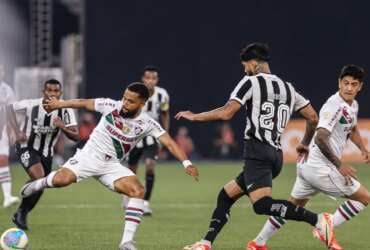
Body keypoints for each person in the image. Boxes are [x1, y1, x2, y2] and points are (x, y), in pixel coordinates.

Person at [176, 43, 334, 250]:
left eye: (245, 66)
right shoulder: (288, 87)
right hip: (276, 156)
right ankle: (205, 243)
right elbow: (313, 117)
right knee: (226, 195)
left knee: (261, 205)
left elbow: (226, 112)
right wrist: (304, 143)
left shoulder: (250, 82)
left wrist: (195, 116)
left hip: (257, 151)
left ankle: (319, 220)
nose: (244, 70)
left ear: (253, 63)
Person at [19, 82, 199, 250]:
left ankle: (126, 242)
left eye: (130, 101)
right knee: (61, 181)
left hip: (111, 165)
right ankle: (37, 184)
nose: (124, 103)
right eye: (124, 98)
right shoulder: (110, 105)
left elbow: (169, 142)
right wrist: (60, 104)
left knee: (138, 191)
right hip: (88, 157)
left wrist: (186, 163)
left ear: (142, 103)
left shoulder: (147, 123)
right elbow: (83, 103)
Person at [249, 65, 370, 250]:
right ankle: (325, 226)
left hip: (307, 167)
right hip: (320, 168)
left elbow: (351, 128)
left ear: (360, 86)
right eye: (345, 83)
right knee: (364, 198)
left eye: (354, 84)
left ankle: (257, 243)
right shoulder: (334, 106)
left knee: (291, 207)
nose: (349, 88)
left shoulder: (352, 105)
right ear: (339, 83)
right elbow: (321, 138)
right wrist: (339, 165)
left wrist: (363, 148)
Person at [7, 79, 79, 230]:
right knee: (39, 177)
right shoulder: (31, 105)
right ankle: (22, 212)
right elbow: (8, 109)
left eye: (56, 91)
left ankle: (22, 211)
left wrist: (62, 127)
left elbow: (75, 136)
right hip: (26, 146)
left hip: (47, 152)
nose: (52, 94)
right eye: (49, 90)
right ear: (43, 92)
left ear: (60, 93)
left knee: (41, 185)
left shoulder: (66, 110)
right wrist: (17, 131)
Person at [127, 66, 170, 215]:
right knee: (132, 169)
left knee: (150, 165)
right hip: (134, 136)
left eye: (154, 78)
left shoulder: (162, 95)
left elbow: (165, 114)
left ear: (157, 80)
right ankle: (129, 196)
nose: (151, 81)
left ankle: (145, 202)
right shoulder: (134, 93)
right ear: (143, 79)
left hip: (152, 137)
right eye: (148, 78)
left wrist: (165, 134)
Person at [0, 64, 20, 208]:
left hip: (2, 129)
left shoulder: (6, 90)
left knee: (3, 160)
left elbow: (12, 111)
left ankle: (7, 197)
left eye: (1, 69)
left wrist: (13, 130)